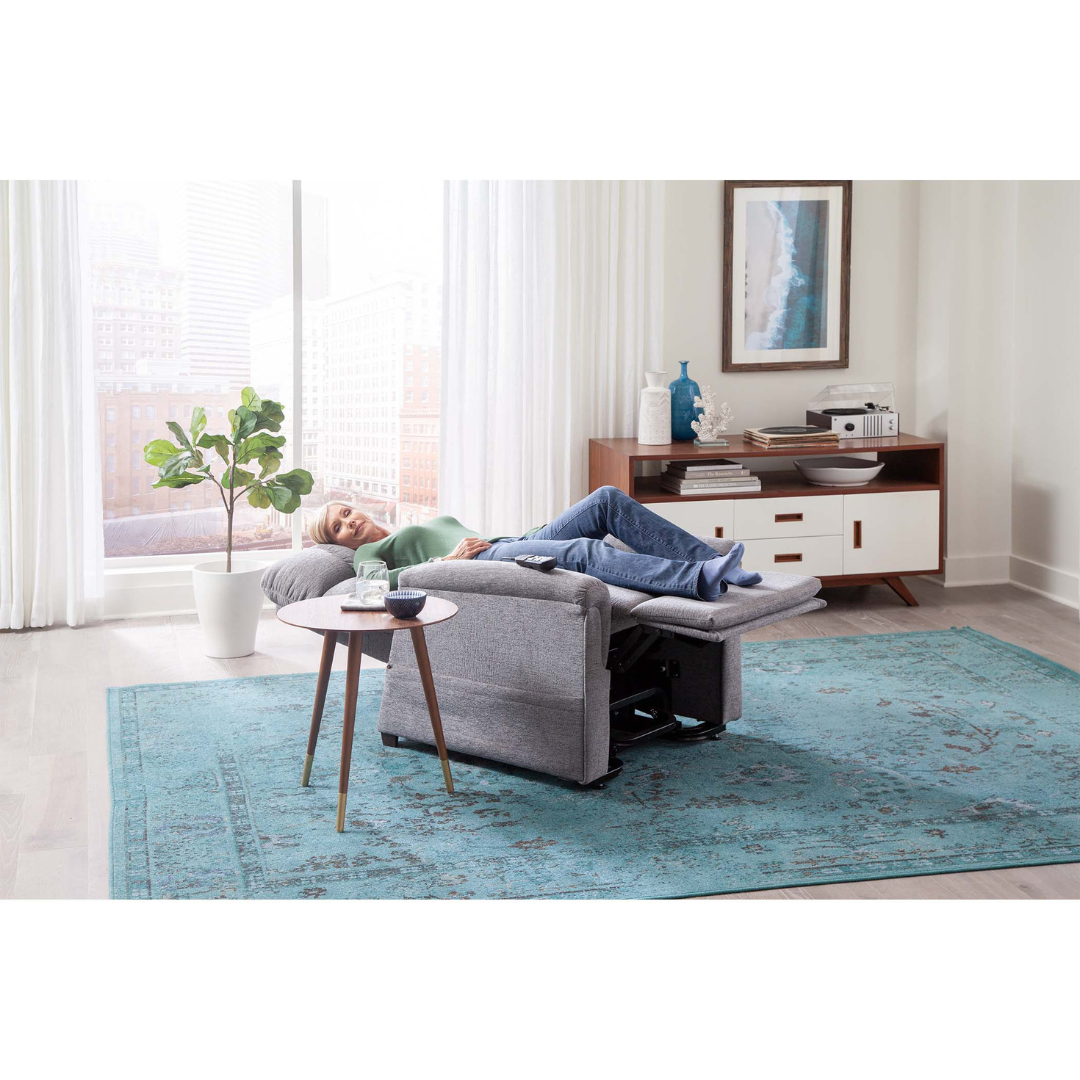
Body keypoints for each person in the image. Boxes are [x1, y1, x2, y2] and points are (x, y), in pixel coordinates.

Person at [307, 486, 762, 601]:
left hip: (509, 542)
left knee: (606, 501)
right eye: (337, 527)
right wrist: (444, 559)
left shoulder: (402, 526)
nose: (349, 522)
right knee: (582, 552)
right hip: (485, 561)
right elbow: (375, 585)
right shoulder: (367, 553)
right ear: (337, 542)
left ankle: (719, 563)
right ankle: (697, 579)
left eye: (345, 512)